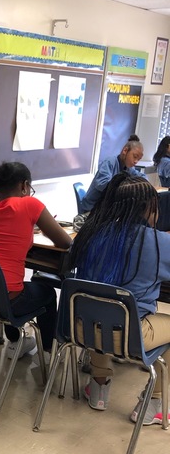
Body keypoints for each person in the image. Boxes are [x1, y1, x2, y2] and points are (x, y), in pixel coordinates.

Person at [69, 173, 170, 422]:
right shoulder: (159, 243)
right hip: (131, 337)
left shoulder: (90, 234)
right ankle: (153, 403)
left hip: (84, 330)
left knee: (101, 307)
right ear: (148, 208)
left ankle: (99, 388)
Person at [0, 161, 72, 358]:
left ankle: (16, 341)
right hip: (6, 302)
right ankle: (47, 352)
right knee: (46, 292)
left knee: (10, 284)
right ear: (24, 185)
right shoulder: (30, 204)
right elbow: (65, 242)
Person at [80, 134, 143, 213]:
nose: (136, 161)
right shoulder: (110, 162)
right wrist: (124, 187)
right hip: (93, 209)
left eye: (139, 159)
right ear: (125, 151)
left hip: (107, 208)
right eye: (135, 156)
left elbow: (141, 177)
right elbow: (101, 184)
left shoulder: (129, 168)